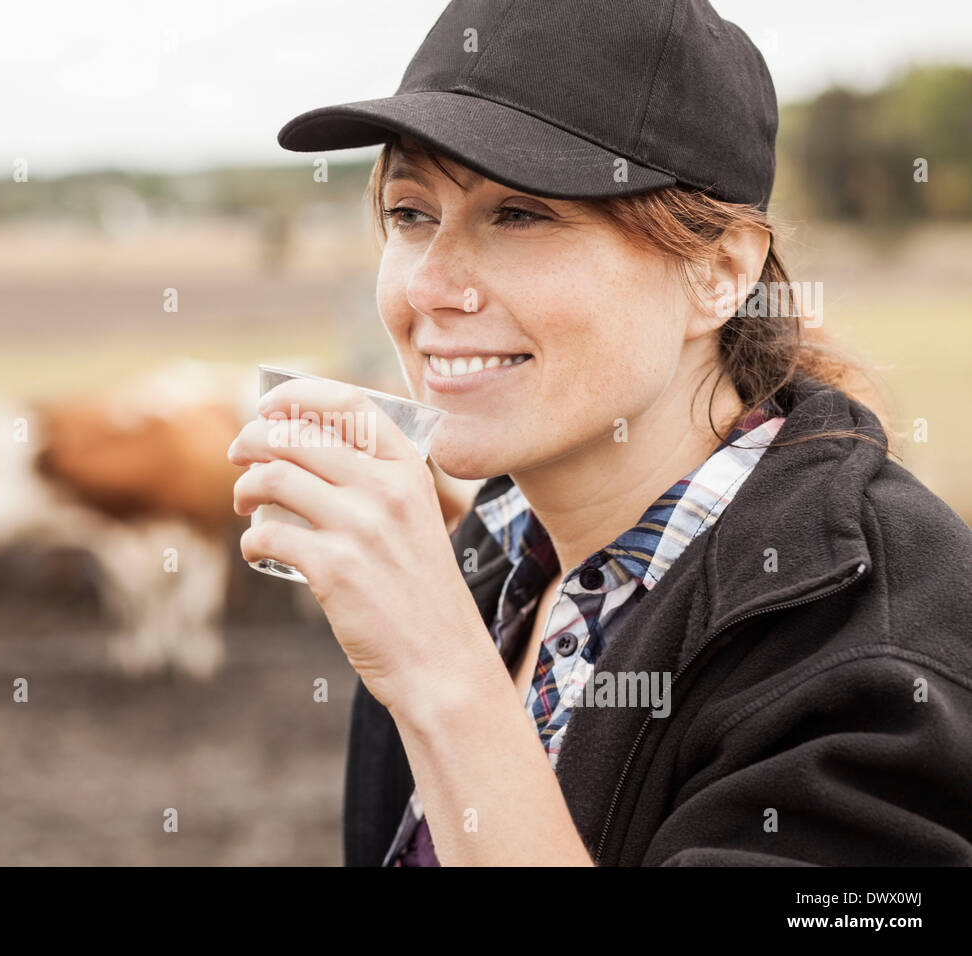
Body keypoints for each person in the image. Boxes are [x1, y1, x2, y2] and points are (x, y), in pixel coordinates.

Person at [226, 0, 972, 865]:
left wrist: (440, 674)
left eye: (521, 216)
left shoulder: (877, 663)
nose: (431, 286)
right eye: (410, 214)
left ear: (720, 274)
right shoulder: (480, 561)